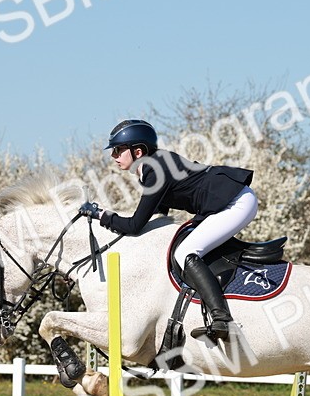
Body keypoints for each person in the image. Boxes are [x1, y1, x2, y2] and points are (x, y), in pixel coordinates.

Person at [77, 119, 257, 341]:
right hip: (230, 200)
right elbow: (155, 217)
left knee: (186, 252)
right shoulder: (154, 166)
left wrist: (100, 215)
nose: (114, 156)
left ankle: (222, 319)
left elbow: (135, 225)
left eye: (118, 150)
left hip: (235, 203)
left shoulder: (155, 170)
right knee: (187, 246)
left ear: (138, 151)